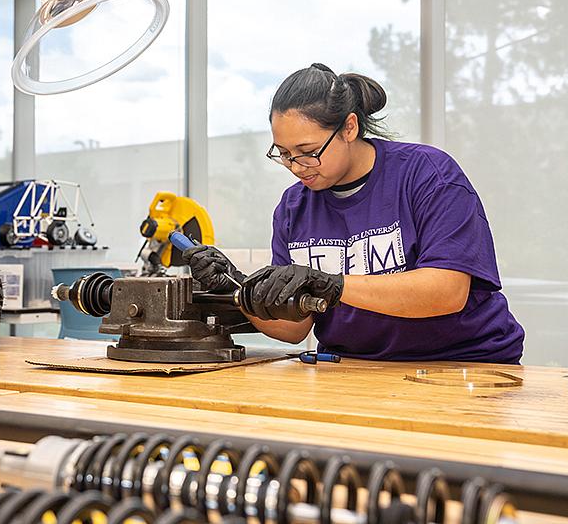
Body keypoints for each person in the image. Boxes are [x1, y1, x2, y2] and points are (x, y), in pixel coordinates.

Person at [184, 63, 524, 363]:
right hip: (356, 368)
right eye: (284, 154)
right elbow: (293, 327)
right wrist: (239, 289)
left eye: (308, 151)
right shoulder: (293, 207)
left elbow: (446, 291)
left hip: (461, 364)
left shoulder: (428, 175)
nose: (296, 167)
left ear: (349, 128)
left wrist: (332, 284)